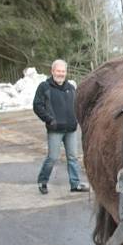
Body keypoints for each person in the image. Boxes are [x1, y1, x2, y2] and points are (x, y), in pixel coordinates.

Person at [33, 59, 89, 195]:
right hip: (55, 129)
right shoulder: (44, 87)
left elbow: (77, 105)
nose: (61, 74)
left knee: (73, 158)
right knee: (52, 157)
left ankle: (75, 184)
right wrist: (49, 119)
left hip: (70, 129)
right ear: (52, 71)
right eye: (58, 71)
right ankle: (42, 181)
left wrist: (77, 120)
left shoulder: (70, 88)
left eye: (63, 71)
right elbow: (37, 105)